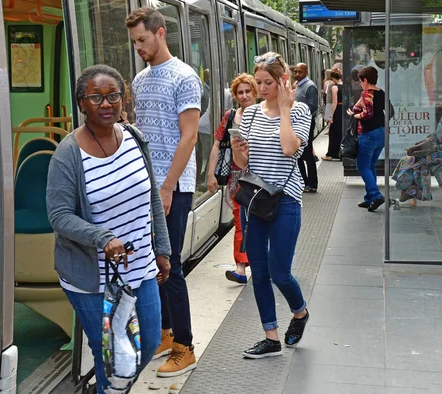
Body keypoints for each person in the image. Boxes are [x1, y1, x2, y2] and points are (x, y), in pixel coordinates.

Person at [46, 65, 171, 394]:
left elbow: (151, 198)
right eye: (96, 97)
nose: (106, 104)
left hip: (140, 266)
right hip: (92, 278)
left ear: (123, 98)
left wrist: (163, 250)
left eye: (113, 95)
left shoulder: (134, 138)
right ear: (81, 103)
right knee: (114, 358)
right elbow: (59, 215)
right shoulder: (68, 155)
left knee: (148, 345)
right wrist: (101, 238)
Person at [126, 7, 202, 377]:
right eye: (134, 42)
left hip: (173, 186)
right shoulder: (140, 80)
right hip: (146, 185)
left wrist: (168, 186)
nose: (138, 47)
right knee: (155, 265)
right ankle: (167, 334)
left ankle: (185, 347)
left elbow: (188, 135)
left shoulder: (185, 76)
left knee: (171, 268)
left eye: (142, 40)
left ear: (159, 33)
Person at [231, 52, 310, 358]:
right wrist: (239, 150)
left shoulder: (300, 111)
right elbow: (243, 164)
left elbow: (290, 149)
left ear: (282, 81)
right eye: (259, 82)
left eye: (267, 83)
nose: (261, 88)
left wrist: (286, 111)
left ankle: (300, 312)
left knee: (280, 272)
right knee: (259, 272)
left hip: (286, 200)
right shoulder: (249, 114)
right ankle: (271, 337)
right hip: (254, 201)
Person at [206, 73, 258, 284]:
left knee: (260, 222)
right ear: (235, 95)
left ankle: (260, 264)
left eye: (248, 91)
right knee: (240, 222)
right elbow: (217, 144)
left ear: (255, 93)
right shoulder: (230, 116)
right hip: (235, 178)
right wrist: (211, 174)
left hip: (259, 176)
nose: (244, 95)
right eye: (240, 92)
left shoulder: (265, 115)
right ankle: (240, 268)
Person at [347, 66, 393, 212]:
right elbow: (391, 111)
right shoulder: (381, 93)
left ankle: (375, 195)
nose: (361, 84)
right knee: (371, 164)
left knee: (362, 166)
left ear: (365, 80)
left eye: (361, 81)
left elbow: (367, 114)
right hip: (382, 133)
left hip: (368, 135)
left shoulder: (367, 94)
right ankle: (370, 198)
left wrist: (355, 116)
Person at [392, 107, 442, 202]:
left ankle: (409, 191)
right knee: (416, 161)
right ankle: (413, 191)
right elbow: (433, 137)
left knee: (412, 160)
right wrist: (418, 144)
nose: (438, 103)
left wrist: (416, 147)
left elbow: (435, 139)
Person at [293, 63, 319, 193]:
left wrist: (299, 114)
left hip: (306, 123)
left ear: (306, 72)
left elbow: (313, 106)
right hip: (300, 123)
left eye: (300, 72)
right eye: (295, 72)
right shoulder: (299, 85)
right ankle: (304, 182)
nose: (297, 74)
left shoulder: (310, 86)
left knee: (307, 154)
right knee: (300, 154)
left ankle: (312, 184)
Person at [323, 68, 344, 161]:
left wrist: (330, 116)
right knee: (340, 132)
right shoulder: (345, 86)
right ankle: (341, 153)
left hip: (337, 110)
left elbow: (334, 102)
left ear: (333, 78)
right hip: (344, 110)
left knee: (333, 132)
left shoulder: (334, 87)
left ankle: (331, 154)